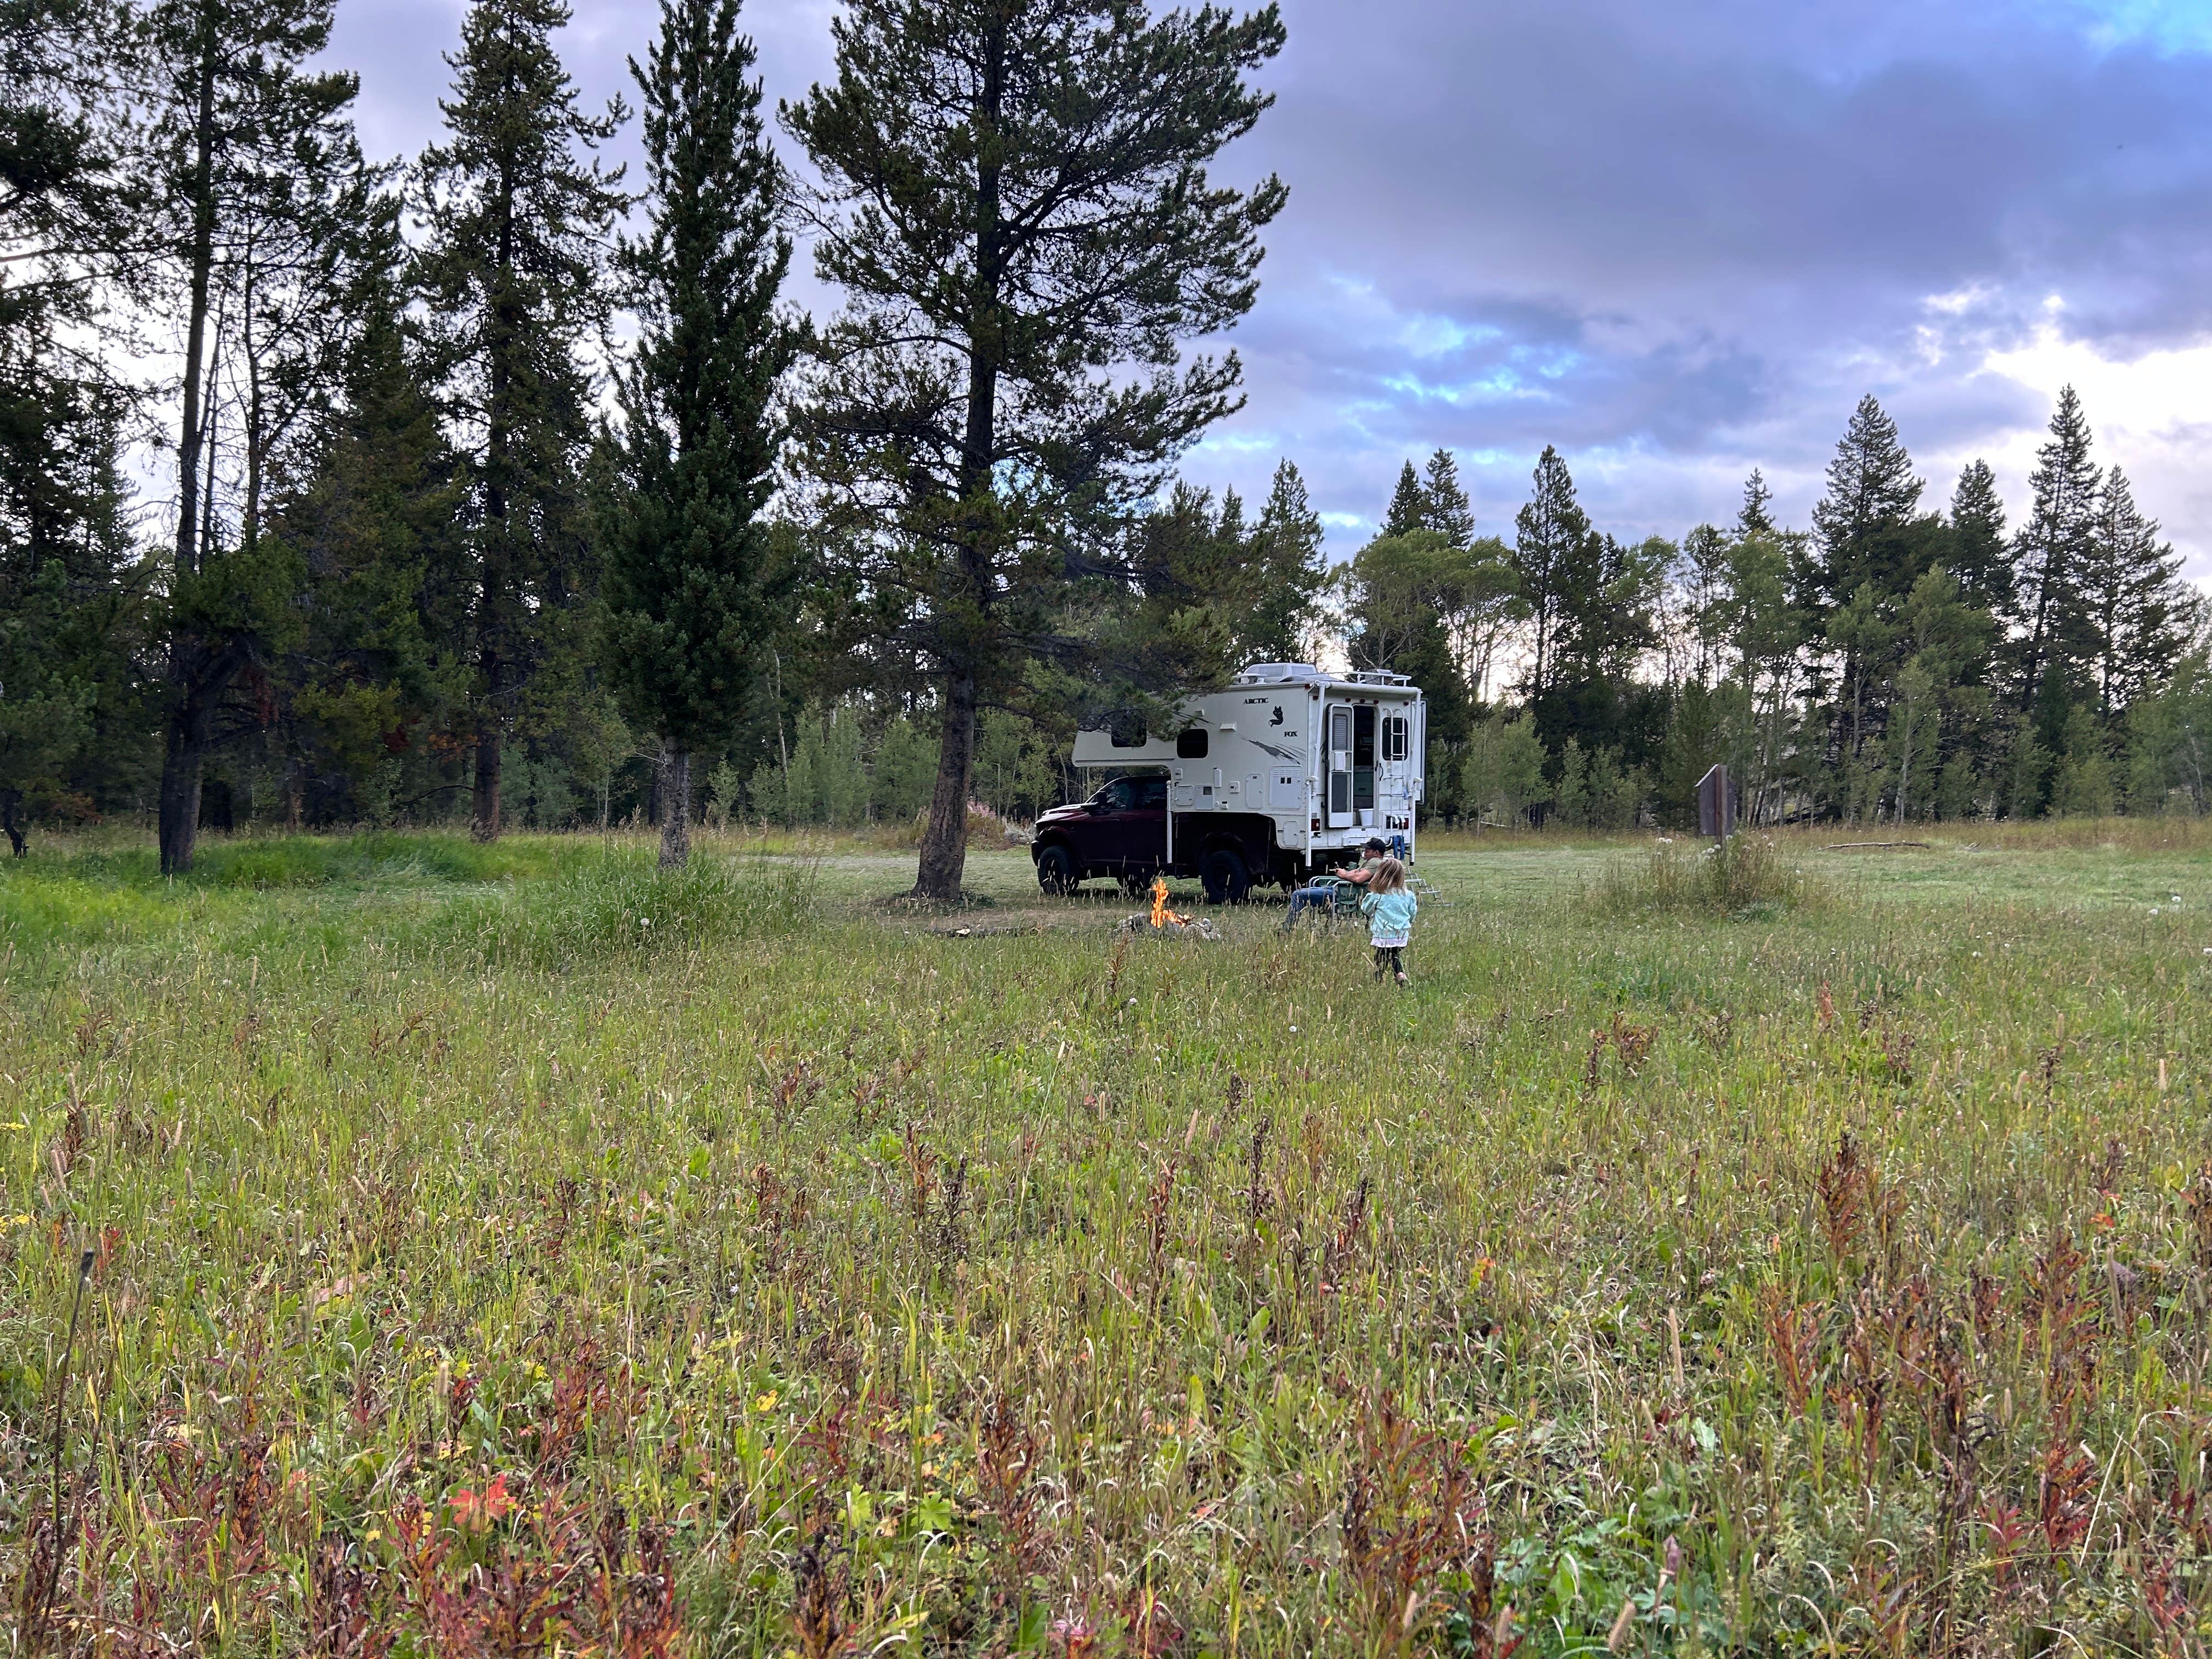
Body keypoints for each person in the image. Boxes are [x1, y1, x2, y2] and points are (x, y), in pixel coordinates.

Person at [1280, 837, 1389, 930]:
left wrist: (1344, 875)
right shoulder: (1371, 862)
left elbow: (1359, 878)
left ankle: (1288, 928)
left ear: (1376, 853)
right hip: (1344, 892)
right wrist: (1345, 873)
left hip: (1345, 896)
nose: (1365, 852)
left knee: (1298, 895)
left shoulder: (1375, 862)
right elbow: (1355, 873)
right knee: (1307, 890)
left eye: (1368, 850)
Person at [1359, 856, 1417, 984]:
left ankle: (1379, 981)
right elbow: (1412, 913)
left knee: (1380, 958)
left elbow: (1365, 908)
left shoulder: (1377, 895)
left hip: (1383, 933)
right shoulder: (1408, 895)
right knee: (1394, 956)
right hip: (1401, 933)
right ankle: (1399, 976)